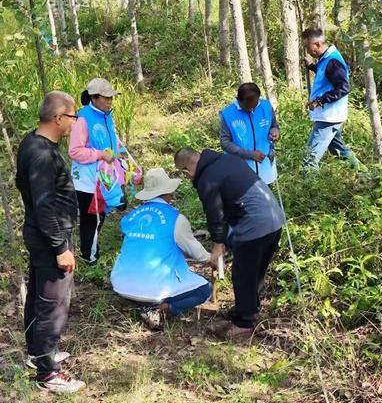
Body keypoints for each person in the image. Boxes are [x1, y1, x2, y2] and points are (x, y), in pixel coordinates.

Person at [174, 147, 285, 339]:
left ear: (186, 171)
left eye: (184, 175)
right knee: (256, 270)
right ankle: (247, 310)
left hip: (255, 223)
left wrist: (217, 246)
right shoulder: (226, 160)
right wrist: (224, 241)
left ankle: (244, 323)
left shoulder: (206, 179)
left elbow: (215, 214)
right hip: (274, 219)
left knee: (242, 274)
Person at [16, 91, 85, 393]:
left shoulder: (32, 143)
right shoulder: (42, 154)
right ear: (58, 118)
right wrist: (61, 247)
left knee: (39, 296)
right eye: (73, 117)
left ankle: (38, 354)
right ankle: (48, 374)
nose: (75, 122)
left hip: (41, 232)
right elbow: (44, 205)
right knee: (53, 304)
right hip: (49, 236)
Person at [111, 168, 212, 330]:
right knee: (205, 290)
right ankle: (160, 308)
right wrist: (211, 259)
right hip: (153, 289)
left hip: (121, 285)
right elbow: (197, 253)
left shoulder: (130, 217)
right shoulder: (176, 218)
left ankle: (140, 302)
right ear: (167, 193)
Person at [69, 78, 126, 264]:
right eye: (106, 97)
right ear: (94, 97)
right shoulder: (82, 119)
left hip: (105, 178)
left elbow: (113, 140)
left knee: (100, 217)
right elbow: (75, 151)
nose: (110, 101)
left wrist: (121, 155)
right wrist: (100, 154)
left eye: (111, 97)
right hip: (88, 181)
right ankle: (89, 258)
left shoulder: (107, 114)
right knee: (91, 220)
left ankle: (90, 251)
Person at [302, 27, 359, 168]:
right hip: (331, 115)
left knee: (310, 157)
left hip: (329, 117)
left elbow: (344, 87)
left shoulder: (332, 61)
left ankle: (311, 189)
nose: (307, 51)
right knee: (338, 150)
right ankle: (364, 173)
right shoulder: (326, 58)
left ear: (317, 44)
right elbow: (326, 74)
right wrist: (312, 67)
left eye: (307, 47)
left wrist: (319, 101)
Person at [220, 83, 279, 185]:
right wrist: (250, 154)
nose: (252, 110)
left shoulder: (266, 106)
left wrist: (275, 132)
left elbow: (274, 125)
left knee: (267, 196)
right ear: (238, 100)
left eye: (254, 106)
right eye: (248, 107)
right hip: (242, 171)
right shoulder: (228, 115)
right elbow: (225, 143)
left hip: (265, 168)